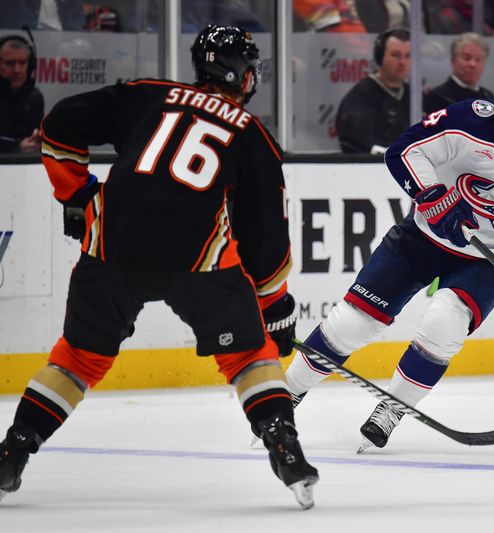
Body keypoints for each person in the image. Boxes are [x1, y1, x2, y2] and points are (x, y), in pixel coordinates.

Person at [0, 25, 319, 509]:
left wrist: (79, 197)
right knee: (249, 356)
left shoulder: (145, 95)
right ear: (238, 72)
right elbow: (264, 235)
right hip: (197, 261)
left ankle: (13, 451)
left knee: (78, 357)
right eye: (250, 66)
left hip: (111, 250)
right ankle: (283, 443)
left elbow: (59, 126)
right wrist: (274, 304)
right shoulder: (253, 136)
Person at [286, 58, 494, 452]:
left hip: (491, 258)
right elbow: (404, 151)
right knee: (353, 323)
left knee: (444, 322)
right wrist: (434, 198)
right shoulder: (471, 120)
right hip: (423, 236)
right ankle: (284, 396)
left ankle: (392, 409)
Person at [335, 28, 410, 154]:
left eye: (408, 56)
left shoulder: (415, 96)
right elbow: (352, 141)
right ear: (380, 57)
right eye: (396, 55)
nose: (402, 62)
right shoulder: (360, 97)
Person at [422, 32, 494, 115]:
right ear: (453, 60)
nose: (472, 64)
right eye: (466, 58)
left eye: (478, 59)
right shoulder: (437, 97)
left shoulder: (488, 97)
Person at [0, 34, 43, 154]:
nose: (17, 70)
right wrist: (17, 150)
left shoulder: (34, 97)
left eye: (22, 62)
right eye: (9, 63)